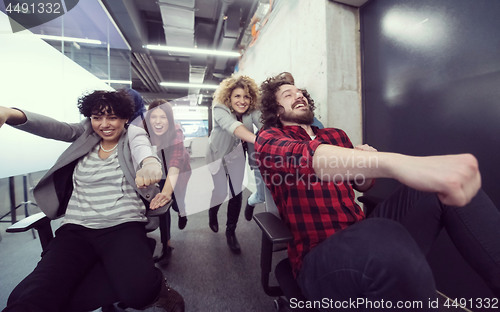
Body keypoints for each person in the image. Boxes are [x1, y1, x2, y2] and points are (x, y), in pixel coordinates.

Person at [255, 72, 500, 310]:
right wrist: (392, 163)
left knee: (444, 184)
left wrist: (365, 165)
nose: (299, 96)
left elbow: (362, 185)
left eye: (301, 93)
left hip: (361, 232)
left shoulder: (335, 135)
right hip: (317, 255)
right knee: (379, 233)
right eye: (288, 94)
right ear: (276, 110)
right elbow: (304, 157)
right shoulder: (269, 139)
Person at [0, 90, 185, 312]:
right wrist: (11, 114)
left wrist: (150, 165)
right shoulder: (85, 133)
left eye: (112, 117)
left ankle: (157, 289)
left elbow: (144, 151)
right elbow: (53, 127)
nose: (104, 124)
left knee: (140, 294)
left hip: (122, 224)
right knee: (33, 298)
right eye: (97, 117)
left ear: (126, 118)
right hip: (76, 229)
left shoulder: (133, 134)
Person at [206, 75, 262, 253]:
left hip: (237, 156)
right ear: (229, 97)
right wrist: (259, 140)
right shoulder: (220, 108)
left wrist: (275, 135)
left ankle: (231, 232)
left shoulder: (250, 110)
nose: (242, 100)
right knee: (221, 191)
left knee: (236, 194)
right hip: (217, 155)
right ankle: (212, 212)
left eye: (246, 96)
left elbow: (263, 124)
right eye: (237, 96)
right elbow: (232, 126)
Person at [134, 99, 192, 265]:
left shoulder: (176, 132)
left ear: (169, 119)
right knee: (163, 209)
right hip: (158, 174)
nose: (158, 122)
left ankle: (183, 212)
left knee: (176, 202)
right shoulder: (141, 131)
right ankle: (166, 245)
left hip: (178, 173)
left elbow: (175, 163)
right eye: (154, 117)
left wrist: (167, 192)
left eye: (163, 117)